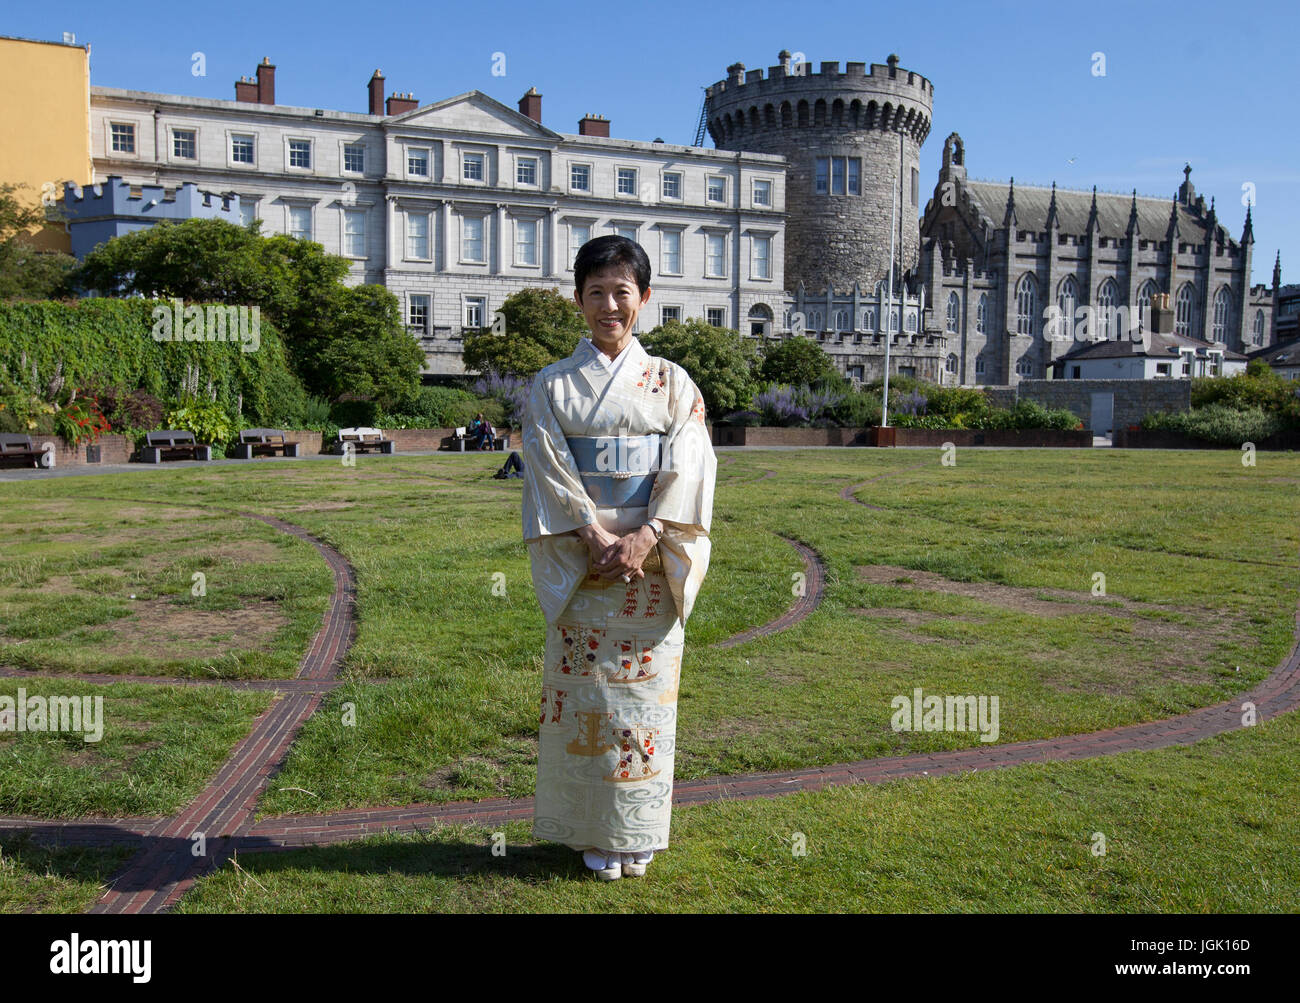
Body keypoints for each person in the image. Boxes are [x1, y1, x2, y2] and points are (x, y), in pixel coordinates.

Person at [522, 234, 716, 881]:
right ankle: (591, 831)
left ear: (645, 299)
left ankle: (639, 830)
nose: (610, 304)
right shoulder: (552, 384)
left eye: (622, 292)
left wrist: (649, 532)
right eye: (596, 292)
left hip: (649, 569)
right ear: (577, 300)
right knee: (591, 704)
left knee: (644, 708)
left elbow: (690, 458)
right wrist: (592, 533)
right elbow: (548, 466)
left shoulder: (672, 381)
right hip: (587, 567)